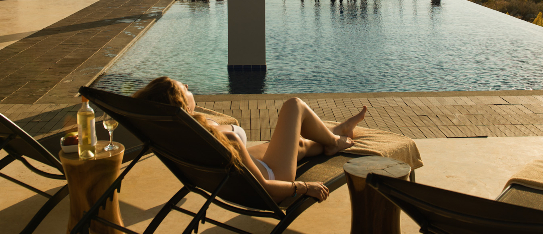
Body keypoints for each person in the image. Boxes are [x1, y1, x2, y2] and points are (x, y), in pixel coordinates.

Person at [133, 77, 367, 203]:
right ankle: (334, 141)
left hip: (238, 176)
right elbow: (263, 187)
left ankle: (335, 133)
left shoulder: (179, 132)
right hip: (272, 181)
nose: (186, 85)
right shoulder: (223, 138)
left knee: (298, 144)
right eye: (183, 89)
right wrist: (304, 187)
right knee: (294, 106)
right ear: (182, 106)